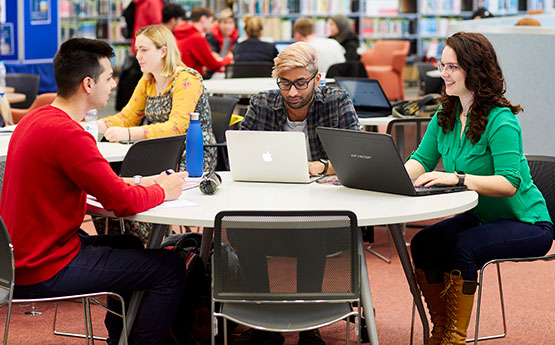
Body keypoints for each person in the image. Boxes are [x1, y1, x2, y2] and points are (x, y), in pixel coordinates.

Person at [0, 37, 190, 345]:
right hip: (43, 267)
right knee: (168, 268)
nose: (114, 84)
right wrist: (163, 191)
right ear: (88, 84)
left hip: (17, 258)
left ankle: (121, 338)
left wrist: (143, 182)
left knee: (129, 243)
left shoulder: (37, 119)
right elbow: (121, 204)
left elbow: (103, 185)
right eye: (109, 77)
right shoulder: (69, 134)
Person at [404, 32, 553, 345]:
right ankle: (441, 330)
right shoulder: (445, 116)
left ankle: (455, 339)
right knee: (423, 244)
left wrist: (457, 178)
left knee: (463, 247)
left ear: (475, 70)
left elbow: (509, 183)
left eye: (452, 67)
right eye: (441, 65)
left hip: (527, 222)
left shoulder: (501, 120)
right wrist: (389, 178)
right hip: (482, 217)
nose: (443, 73)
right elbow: (421, 159)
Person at [234, 42, 360, 345]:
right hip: (271, 205)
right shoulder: (262, 103)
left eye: (301, 83)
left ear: (317, 79)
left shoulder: (336, 101)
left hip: (323, 211)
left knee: (311, 232)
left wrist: (319, 167)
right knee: (240, 231)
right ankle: (264, 323)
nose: (292, 92)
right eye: (285, 83)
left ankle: (309, 326)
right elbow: (240, 154)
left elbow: (357, 155)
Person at [97, 25, 217, 242]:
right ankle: (124, 243)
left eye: (143, 50)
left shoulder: (186, 78)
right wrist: (92, 127)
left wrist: (129, 134)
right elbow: (126, 117)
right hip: (158, 151)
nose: (137, 56)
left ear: (163, 51)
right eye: (137, 50)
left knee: (126, 180)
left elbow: (178, 127)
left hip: (191, 152)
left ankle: (147, 243)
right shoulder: (148, 80)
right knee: (107, 180)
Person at [174, 6, 233, 77]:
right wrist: (229, 58)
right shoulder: (197, 37)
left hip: (182, 77)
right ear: (203, 19)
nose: (211, 25)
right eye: (210, 21)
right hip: (192, 79)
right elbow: (213, 64)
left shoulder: (184, 33)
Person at [206, 8, 239, 78]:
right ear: (219, 23)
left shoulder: (235, 36)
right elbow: (213, 57)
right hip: (212, 74)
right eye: (224, 22)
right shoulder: (211, 36)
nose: (227, 26)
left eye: (230, 23)